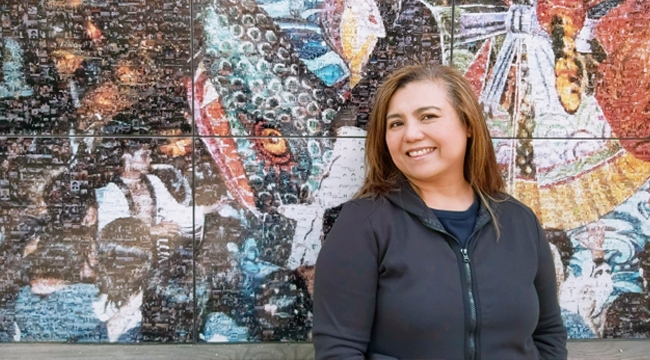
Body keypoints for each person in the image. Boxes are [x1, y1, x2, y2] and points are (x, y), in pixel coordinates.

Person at [312, 64, 568, 359]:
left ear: (468, 124)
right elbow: (339, 350)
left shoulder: (519, 222)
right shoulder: (363, 224)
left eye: (428, 117)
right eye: (396, 124)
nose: (410, 134)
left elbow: (549, 334)